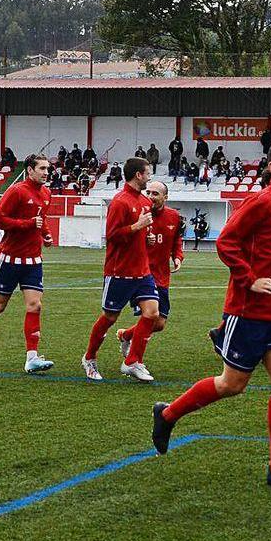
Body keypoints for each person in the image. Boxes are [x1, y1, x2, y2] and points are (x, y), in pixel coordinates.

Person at [151, 142, 271, 488]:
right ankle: (168, 414)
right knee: (231, 385)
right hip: (247, 313)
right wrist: (250, 280)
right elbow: (226, 242)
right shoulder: (261, 201)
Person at [0, 154, 56, 375]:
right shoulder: (16, 191)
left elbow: (40, 219)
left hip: (33, 260)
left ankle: (32, 358)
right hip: (10, 259)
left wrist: (45, 234)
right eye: (42, 168)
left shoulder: (46, 193)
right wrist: (27, 224)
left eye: (48, 169)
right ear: (30, 170)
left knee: (35, 305)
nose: (46, 173)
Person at [80, 156, 159, 383]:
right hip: (119, 271)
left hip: (142, 271)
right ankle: (89, 358)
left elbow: (139, 234)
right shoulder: (120, 201)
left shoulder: (145, 202)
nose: (150, 177)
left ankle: (132, 361)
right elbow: (113, 236)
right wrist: (137, 227)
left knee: (152, 313)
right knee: (110, 317)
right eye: (148, 173)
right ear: (138, 175)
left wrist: (147, 237)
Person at [117, 180, 183, 354]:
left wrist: (177, 257)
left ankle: (126, 335)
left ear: (165, 197)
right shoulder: (140, 214)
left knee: (159, 324)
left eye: (156, 194)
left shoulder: (174, 216)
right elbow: (123, 239)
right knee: (148, 317)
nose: (151, 197)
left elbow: (177, 239)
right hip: (141, 273)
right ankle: (135, 360)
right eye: (149, 192)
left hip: (162, 275)